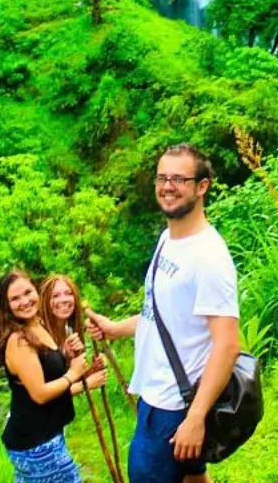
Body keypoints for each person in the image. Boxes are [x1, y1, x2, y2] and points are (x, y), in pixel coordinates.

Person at [86, 143, 241, 483]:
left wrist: (196, 417)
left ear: (202, 186)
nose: (167, 186)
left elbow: (228, 344)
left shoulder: (209, 257)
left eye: (179, 179)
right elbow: (161, 317)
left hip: (174, 407)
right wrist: (114, 328)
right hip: (158, 395)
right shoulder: (168, 240)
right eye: (161, 177)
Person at [0, 270, 104, 482]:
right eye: (15, 298)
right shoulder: (19, 340)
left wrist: (64, 355)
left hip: (44, 437)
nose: (24, 301)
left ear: (36, 290)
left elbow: (44, 369)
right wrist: (72, 374)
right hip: (36, 445)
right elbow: (40, 393)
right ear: (6, 307)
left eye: (27, 292)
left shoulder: (36, 325)